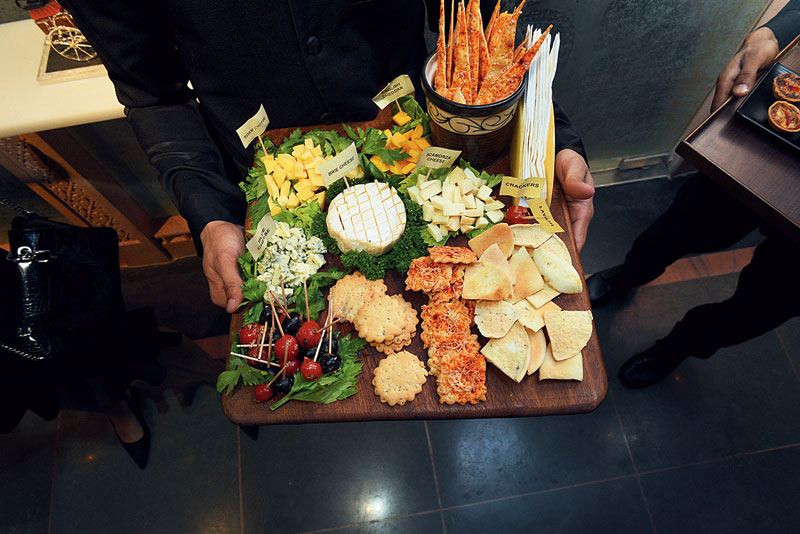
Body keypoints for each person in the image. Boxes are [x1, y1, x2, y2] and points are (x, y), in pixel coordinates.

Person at [59, 0, 595, 314]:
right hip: (269, 170)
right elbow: (153, 91)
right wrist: (211, 213)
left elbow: (478, 26)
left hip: (416, 136)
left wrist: (552, 139)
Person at [587, 0, 800, 389]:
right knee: (683, 225)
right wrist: (773, 34)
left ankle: (681, 344)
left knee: (764, 304)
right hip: (769, 149)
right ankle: (629, 274)